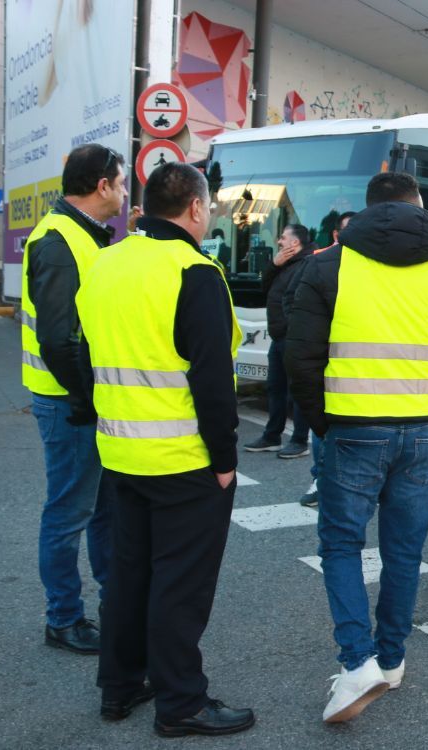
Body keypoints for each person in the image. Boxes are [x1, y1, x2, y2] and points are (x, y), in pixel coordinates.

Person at [285, 172, 428, 722]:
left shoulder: (330, 263)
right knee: (404, 550)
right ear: (418, 207)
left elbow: (301, 357)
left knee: (343, 544)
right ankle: (391, 659)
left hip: (353, 424)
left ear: (367, 211)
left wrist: (323, 422)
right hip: (423, 426)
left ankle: (356, 664)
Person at [78, 162, 254, 736]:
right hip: (184, 462)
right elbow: (212, 381)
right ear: (197, 209)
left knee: (129, 576)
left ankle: (120, 685)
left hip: (121, 453)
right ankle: (181, 703)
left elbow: (86, 356)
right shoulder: (194, 271)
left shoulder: (105, 263)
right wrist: (226, 461)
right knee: (180, 585)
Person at [20, 143, 126, 655]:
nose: (125, 194)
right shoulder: (60, 241)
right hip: (69, 404)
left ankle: (113, 606)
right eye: (122, 184)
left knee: (101, 510)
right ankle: (63, 618)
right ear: (102, 185)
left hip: (81, 400)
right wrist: (88, 400)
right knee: (69, 512)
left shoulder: (82, 235)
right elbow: (60, 340)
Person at [285, 211, 356, 508]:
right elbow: (291, 302)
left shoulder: (375, 266)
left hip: (359, 374)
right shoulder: (319, 262)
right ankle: (320, 478)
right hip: (329, 366)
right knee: (324, 431)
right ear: (337, 235)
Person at [243, 223, 313, 458]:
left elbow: (299, 301)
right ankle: (272, 436)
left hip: (294, 338)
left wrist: (292, 330)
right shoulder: (286, 264)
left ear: (295, 243)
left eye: (283, 238)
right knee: (276, 388)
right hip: (279, 337)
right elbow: (265, 288)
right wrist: (274, 265)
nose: (279, 241)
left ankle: (299, 440)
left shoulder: (308, 263)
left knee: (297, 391)